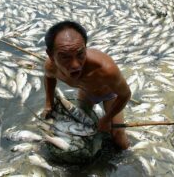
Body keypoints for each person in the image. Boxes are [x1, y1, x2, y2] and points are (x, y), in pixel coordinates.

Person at [42, 20, 131, 150]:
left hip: (109, 95)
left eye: (80, 54)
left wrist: (107, 119)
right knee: (83, 126)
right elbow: (49, 78)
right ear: (50, 54)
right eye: (65, 57)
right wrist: (49, 103)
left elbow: (125, 95)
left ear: (85, 47)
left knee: (118, 138)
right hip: (86, 93)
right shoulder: (50, 66)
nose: (75, 65)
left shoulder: (106, 70)